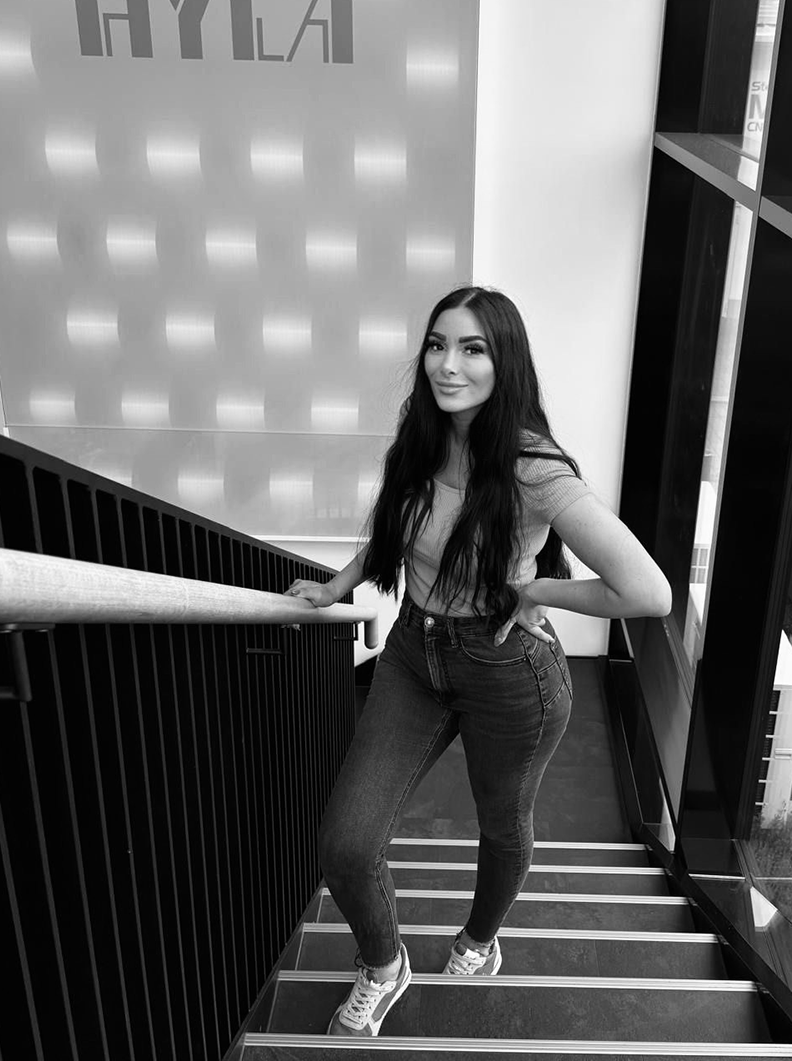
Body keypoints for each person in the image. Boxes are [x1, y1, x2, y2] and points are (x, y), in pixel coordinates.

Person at [285, 285, 671, 1038]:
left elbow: (647, 590)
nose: (447, 365)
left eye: (472, 349)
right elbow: (395, 525)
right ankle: (383, 965)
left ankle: (479, 940)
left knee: (503, 825)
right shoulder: (423, 433)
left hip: (508, 671)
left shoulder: (533, 467)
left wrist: (536, 588)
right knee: (347, 842)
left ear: (505, 362)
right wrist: (337, 585)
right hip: (412, 658)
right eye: (437, 345)